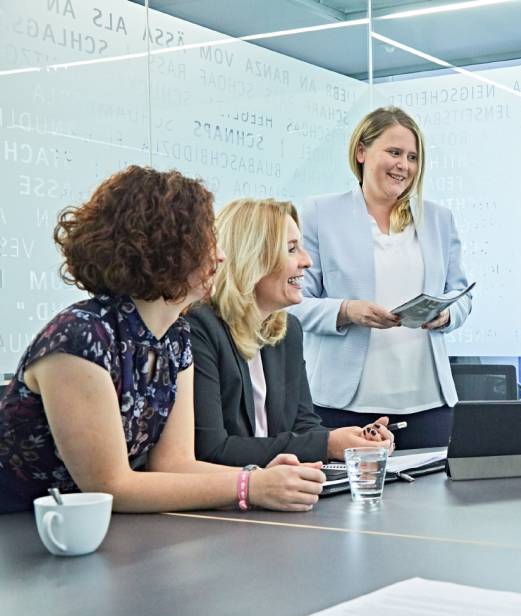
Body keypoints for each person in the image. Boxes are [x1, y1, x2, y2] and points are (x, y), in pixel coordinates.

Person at [0, 166, 325, 514]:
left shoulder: (175, 337)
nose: (221, 256)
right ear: (164, 249)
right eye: (205, 239)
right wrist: (249, 485)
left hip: (85, 530)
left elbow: (175, 464)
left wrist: (258, 476)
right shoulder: (79, 338)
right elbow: (111, 486)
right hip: (21, 532)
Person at [291, 107, 472, 449]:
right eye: (394, 152)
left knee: (432, 500)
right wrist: (346, 311)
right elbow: (293, 304)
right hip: (342, 404)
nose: (404, 165)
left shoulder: (438, 218)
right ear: (361, 152)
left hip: (428, 402)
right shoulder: (319, 213)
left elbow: (461, 293)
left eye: (413, 156)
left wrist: (447, 313)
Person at [187, 198, 394, 468]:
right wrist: (327, 444)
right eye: (292, 249)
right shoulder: (199, 327)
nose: (307, 261)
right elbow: (212, 449)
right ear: (253, 257)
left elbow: (303, 425)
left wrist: (354, 440)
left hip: (276, 496)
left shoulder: (287, 329)